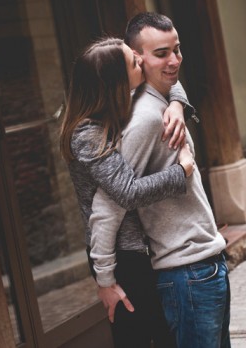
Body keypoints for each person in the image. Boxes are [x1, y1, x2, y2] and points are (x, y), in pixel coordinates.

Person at [88, 12, 231, 348]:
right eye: (162, 53)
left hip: (205, 264)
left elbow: (172, 78)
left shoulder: (164, 99)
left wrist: (179, 102)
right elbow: (109, 204)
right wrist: (104, 278)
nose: (174, 61)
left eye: (177, 50)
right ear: (137, 58)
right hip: (187, 273)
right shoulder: (144, 121)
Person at [59, 37, 197, 347]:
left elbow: (172, 82)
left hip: (138, 249)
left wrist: (176, 103)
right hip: (121, 257)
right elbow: (128, 192)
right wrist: (182, 172)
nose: (142, 62)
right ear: (115, 81)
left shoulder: (120, 105)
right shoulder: (87, 133)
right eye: (134, 62)